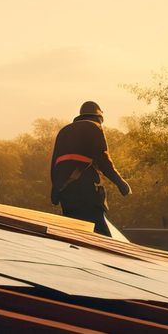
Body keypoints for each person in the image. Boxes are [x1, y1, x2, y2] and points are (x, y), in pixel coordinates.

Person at [51, 101, 132, 236]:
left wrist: (55, 190)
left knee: (74, 234)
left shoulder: (64, 131)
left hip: (65, 193)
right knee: (100, 235)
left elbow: (55, 163)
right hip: (86, 190)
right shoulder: (94, 127)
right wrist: (120, 182)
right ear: (98, 117)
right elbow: (103, 160)